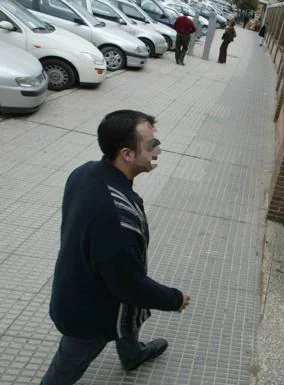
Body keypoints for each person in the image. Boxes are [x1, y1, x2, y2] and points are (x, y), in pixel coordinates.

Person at [40, 110, 191, 385]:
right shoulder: (115, 213)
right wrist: (174, 299)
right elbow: (128, 285)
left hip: (96, 287)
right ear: (127, 154)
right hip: (88, 312)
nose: (158, 148)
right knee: (64, 370)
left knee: (128, 318)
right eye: (151, 144)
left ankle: (131, 355)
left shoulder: (84, 172)